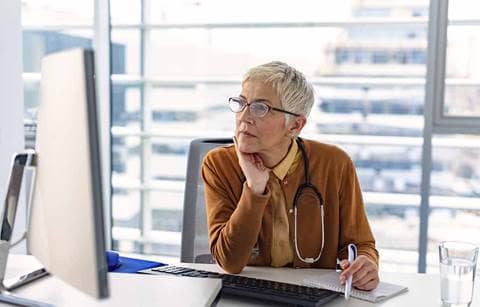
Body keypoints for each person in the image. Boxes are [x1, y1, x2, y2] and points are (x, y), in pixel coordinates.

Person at [201, 61, 379, 290]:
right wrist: (255, 188)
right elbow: (229, 262)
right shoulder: (219, 164)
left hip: (312, 295)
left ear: (295, 125)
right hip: (246, 295)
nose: (244, 117)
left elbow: (360, 245)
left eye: (260, 108)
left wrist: (366, 265)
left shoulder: (334, 164)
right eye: (242, 103)